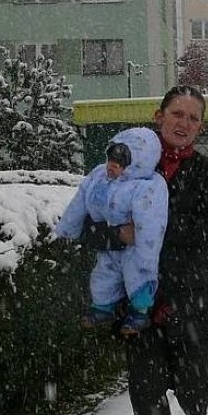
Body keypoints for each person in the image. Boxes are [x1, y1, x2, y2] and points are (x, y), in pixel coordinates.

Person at [81, 85, 208, 415]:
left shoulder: (205, 172)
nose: (184, 123)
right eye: (177, 114)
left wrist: (147, 231)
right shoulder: (123, 164)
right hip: (137, 301)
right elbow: (93, 218)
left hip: (189, 299)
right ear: (158, 116)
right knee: (145, 389)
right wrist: (116, 236)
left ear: (200, 128)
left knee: (192, 387)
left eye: (193, 118)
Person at [54, 127, 167, 336]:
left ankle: (140, 311)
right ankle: (102, 307)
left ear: (139, 162)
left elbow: (150, 221)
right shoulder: (99, 176)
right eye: (110, 159)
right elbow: (80, 201)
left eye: (120, 163)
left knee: (139, 276)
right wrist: (68, 228)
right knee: (103, 274)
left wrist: (146, 253)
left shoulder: (147, 185)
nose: (112, 167)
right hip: (109, 243)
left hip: (134, 248)